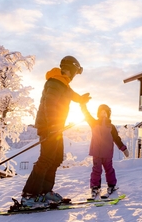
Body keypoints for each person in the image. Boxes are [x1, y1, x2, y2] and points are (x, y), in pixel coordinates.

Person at [21, 56, 91, 208]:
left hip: (56, 128)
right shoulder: (55, 82)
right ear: (71, 69)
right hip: (49, 128)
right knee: (46, 159)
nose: (73, 77)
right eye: (75, 72)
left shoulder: (63, 84)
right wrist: (52, 126)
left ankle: (45, 191)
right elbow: (50, 105)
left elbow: (73, 96)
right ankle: (29, 195)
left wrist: (82, 99)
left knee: (56, 158)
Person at [80, 103, 129, 199]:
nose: (103, 114)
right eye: (101, 112)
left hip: (107, 153)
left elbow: (117, 139)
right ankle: (95, 187)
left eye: (105, 112)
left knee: (109, 170)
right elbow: (87, 114)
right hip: (96, 153)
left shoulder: (111, 126)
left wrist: (123, 149)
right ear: (98, 113)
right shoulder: (94, 123)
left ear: (108, 114)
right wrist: (83, 105)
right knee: (96, 171)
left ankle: (111, 186)